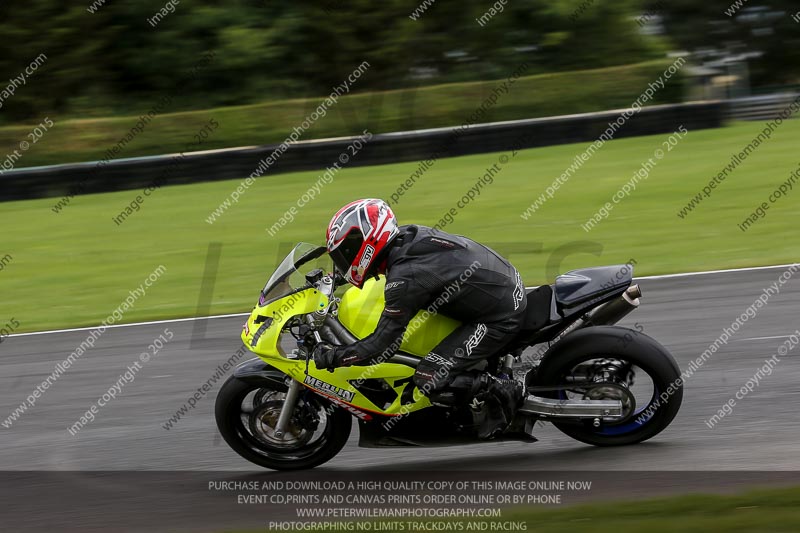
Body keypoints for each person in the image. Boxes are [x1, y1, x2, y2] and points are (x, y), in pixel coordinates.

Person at [313, 198, 527, 439]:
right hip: (503, 284)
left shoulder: (405, 278)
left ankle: (505, 389)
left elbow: (381, 345)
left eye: (347, 252)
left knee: (429, 376)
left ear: (367, 244)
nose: (344, 260)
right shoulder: (405, 237)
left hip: (499, 316)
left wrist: (334, 357)